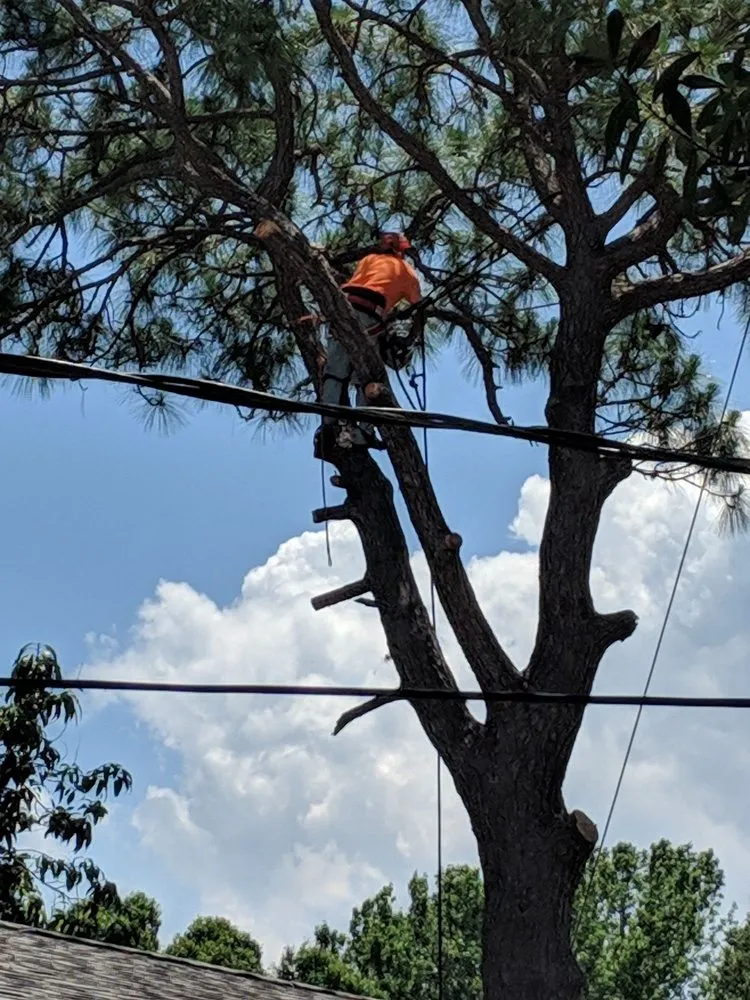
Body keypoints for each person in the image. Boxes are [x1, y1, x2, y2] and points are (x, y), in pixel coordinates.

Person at [313, 232, 422, 461]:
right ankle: (362, 432)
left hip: (341, 308)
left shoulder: (369, 259)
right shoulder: (409, 274)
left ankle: (329, 424)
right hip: (369, 315)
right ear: (403, 251)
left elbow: (361, 284)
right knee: (370, 377)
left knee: (335, 370)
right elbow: (418, 309)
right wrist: (409, 337)